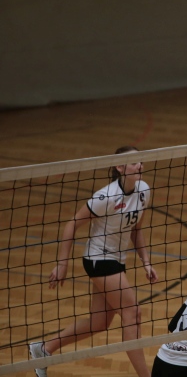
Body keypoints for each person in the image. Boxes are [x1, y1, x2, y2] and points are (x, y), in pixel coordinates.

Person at [29, 146, 158, 377]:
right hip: (99, 259)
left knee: (99, 322)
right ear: (120, 168)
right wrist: (62, 264)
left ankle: (44, 349)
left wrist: (146, 262)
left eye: (141, 161)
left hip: (117, 260)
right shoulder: (105, 197)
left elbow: (136, 229)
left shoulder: (144, 191)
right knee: (132, 313)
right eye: (133, 162)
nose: (140, 165)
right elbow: (72, 224)